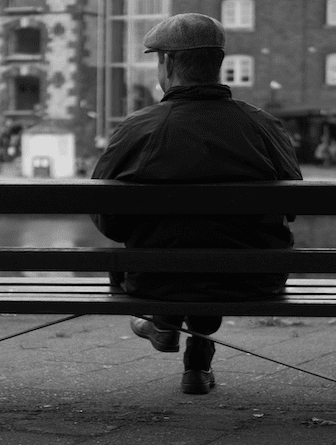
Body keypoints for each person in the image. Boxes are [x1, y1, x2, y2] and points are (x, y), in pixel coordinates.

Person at [90, 13, 302, 395]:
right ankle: (197, 358)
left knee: (170, 247)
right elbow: (293, 206)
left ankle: (165, 322)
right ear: (217, 64)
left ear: (168, 63)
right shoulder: (263, 125)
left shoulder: (139, 127)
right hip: (254, 280)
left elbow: (110, 221)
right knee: (223, 243)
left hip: (156, 280)